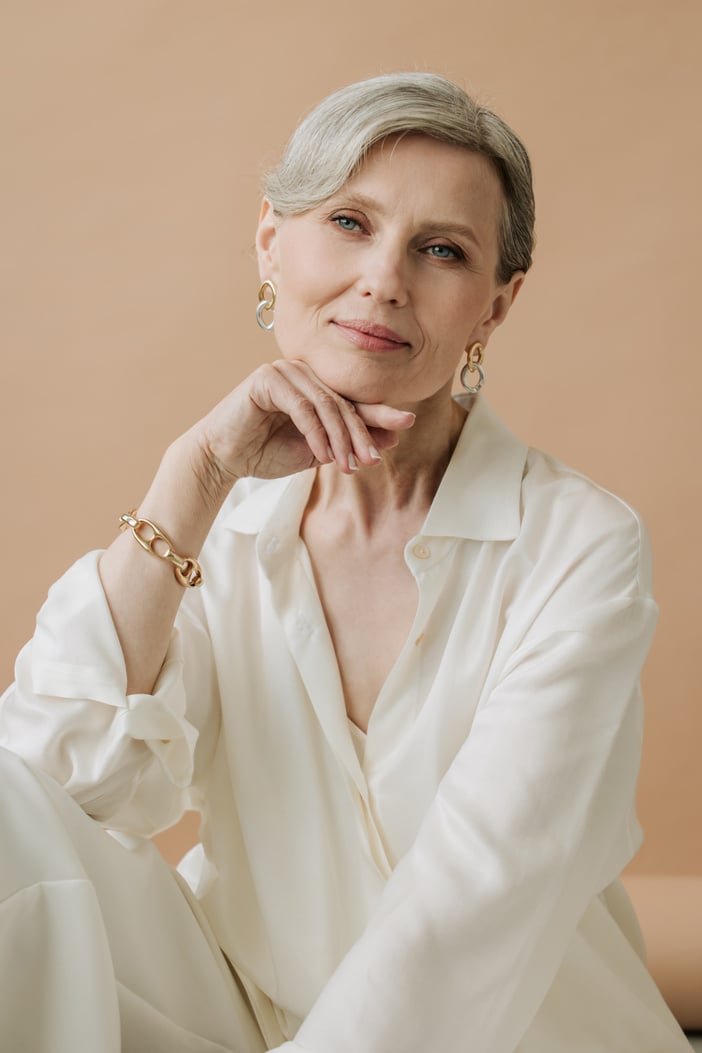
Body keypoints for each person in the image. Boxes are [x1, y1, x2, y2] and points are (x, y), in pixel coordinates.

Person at [0, 72, 690, 1053]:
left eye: (441, 250)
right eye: (350, 223)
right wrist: (193, 475)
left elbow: (477, 905)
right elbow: (55, 783)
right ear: (271, 245)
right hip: (239, 1019)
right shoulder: (229, 529)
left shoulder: (579, 546)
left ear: (496, 306)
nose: (385, 280)